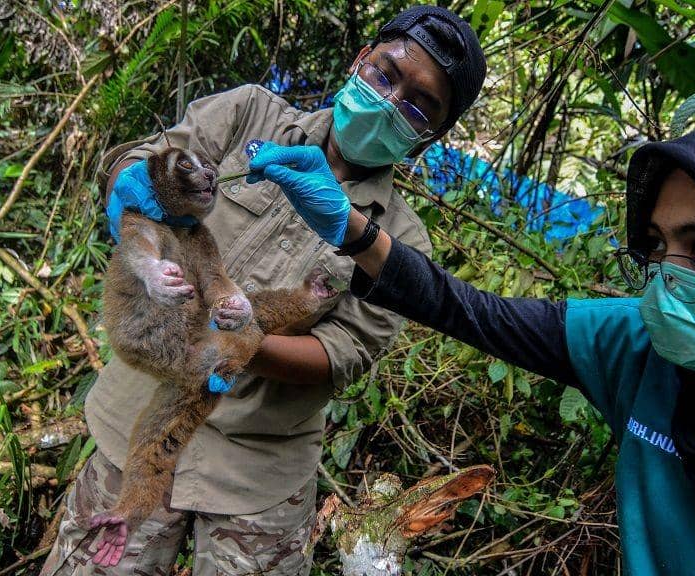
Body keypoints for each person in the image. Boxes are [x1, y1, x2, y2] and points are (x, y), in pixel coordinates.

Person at [248, 109, 695, 574]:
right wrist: (352, 228)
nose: (666, 281)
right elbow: (474, 313)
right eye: (657, 247)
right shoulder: (636, 342)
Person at [40, 6, 486, 576]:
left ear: (431, 135)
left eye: (418, 105)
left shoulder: (399, 241)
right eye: (385, 73)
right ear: (360, 61)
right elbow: (147, 159)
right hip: (136, 422)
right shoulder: (250, 112)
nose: (389, 100)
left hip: (257, 472)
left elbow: (343, 353)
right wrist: (130, 182)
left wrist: (238, 344)